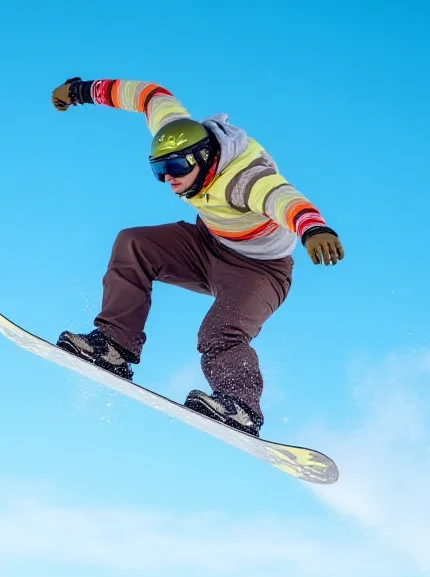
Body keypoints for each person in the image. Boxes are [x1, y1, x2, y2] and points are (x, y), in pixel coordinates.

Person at [51, 77, 344, 438]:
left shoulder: (245, 179)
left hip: (259, 271)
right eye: (159, 170)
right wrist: (82, 91)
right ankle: (114, 345)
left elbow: (283, 198)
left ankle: (241, 408)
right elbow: (148, 96)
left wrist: (314, 229)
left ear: (203, 157)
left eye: (176, 168)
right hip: (206, 245)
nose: (169, 180)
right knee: (133, 243)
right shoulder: (178, 131)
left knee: (219, 332)